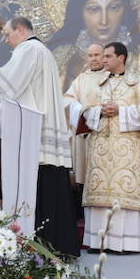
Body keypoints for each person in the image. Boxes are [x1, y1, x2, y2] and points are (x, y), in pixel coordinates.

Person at [0, 16, 79, 257]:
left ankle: (41, 246)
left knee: (41, 187)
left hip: (34, 132)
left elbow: (9, 84)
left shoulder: (28, 48)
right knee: (52, 189)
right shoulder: (44, 51)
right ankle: (59, 246)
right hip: (42, 125)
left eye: (8, 35)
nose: (7, 41)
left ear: (20, 30)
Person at [75, 41, 140, 253]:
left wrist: (121, 111)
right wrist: (99, 111)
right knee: (101, 192)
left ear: (121, 58)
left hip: (128, 151)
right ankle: (99, 241)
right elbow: (85, 110)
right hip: (101, 148)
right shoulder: (97, 84)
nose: (102, 60)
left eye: (107, 56)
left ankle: (127, 243)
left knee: (124, 190)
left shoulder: (138, 84)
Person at [63, 43, 106, 190]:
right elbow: (67, 99)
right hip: (84, 133)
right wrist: (80, 110)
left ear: (103, 56)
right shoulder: (81, 79)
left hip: (105, 131)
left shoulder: (111, 76)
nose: (93, 58)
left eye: (97, 55)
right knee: (85, 180)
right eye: (90, 55)